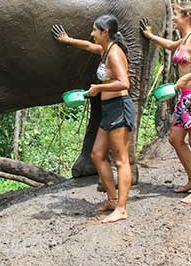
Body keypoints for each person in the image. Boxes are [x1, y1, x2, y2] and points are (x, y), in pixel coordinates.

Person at [52, 15, 135, 223]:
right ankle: (112, 199)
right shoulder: (105, 50)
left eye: (95, 30)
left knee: (121, 160)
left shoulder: (115, 53)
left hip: (119, 108)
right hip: (108, 109)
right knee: (97, 154)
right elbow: (89, 46)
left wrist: (99, 88)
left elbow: (124, 83)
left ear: (105, 31)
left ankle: (122, 209)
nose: (92, 34)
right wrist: (68, 40)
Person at [140, 2, 191, 204]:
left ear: (187, 16)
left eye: (176, 15)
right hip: (185, 97)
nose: (173, 18)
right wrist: (150, 37)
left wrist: (185, 78)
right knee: (175, 138)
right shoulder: (184, 40)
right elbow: (170, 45)